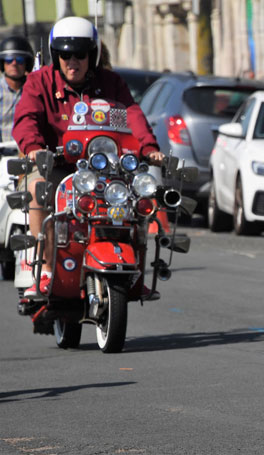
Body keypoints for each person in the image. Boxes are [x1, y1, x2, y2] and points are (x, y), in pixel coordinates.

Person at [12, 16, 164, 299]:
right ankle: (45, 271)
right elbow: (26, 118)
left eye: (80, 55)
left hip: (105, 168)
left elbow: (132, 114)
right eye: (65, 55)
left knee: (138, 199)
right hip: (54, 165)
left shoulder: (112, 83)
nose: (73, 62)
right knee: (36, 191)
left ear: (92, 56)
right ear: (55, 56)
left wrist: (148, 147)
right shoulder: (38, 82)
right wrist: (34, 148)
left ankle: (135, 272)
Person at [0, 36, 34, 144]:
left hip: (29, 151)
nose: (14, 64)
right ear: (2, 63)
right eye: (9, 60)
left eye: (19, 60)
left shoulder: (34, 90)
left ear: (26, 64)